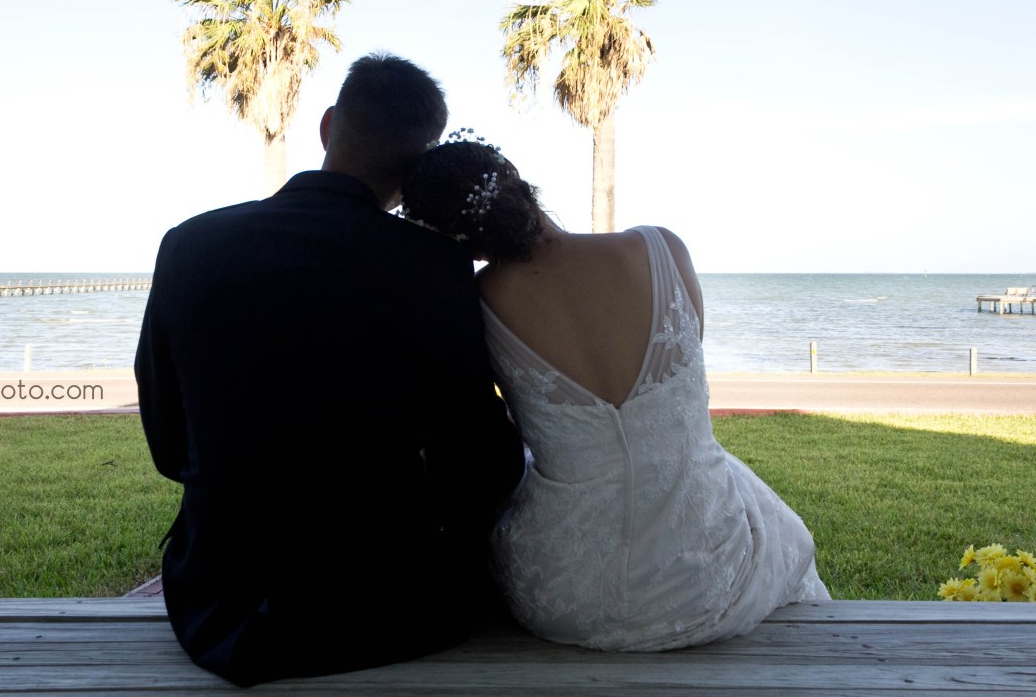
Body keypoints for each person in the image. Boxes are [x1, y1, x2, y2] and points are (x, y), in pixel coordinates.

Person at [136, 55, 525, 686]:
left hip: (215, 603)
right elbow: (479, 459)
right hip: (380, 610)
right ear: (419, 164)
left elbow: (165, 435)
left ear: (326, 126)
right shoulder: (432, 266)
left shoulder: (189, 242)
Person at [399, 136, 830, 652]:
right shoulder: (660, 249)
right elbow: (684, 393)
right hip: (707, 577)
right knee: (730, 481)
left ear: (461, 241)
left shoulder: (479, 300)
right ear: (512, 171)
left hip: (566, 592)